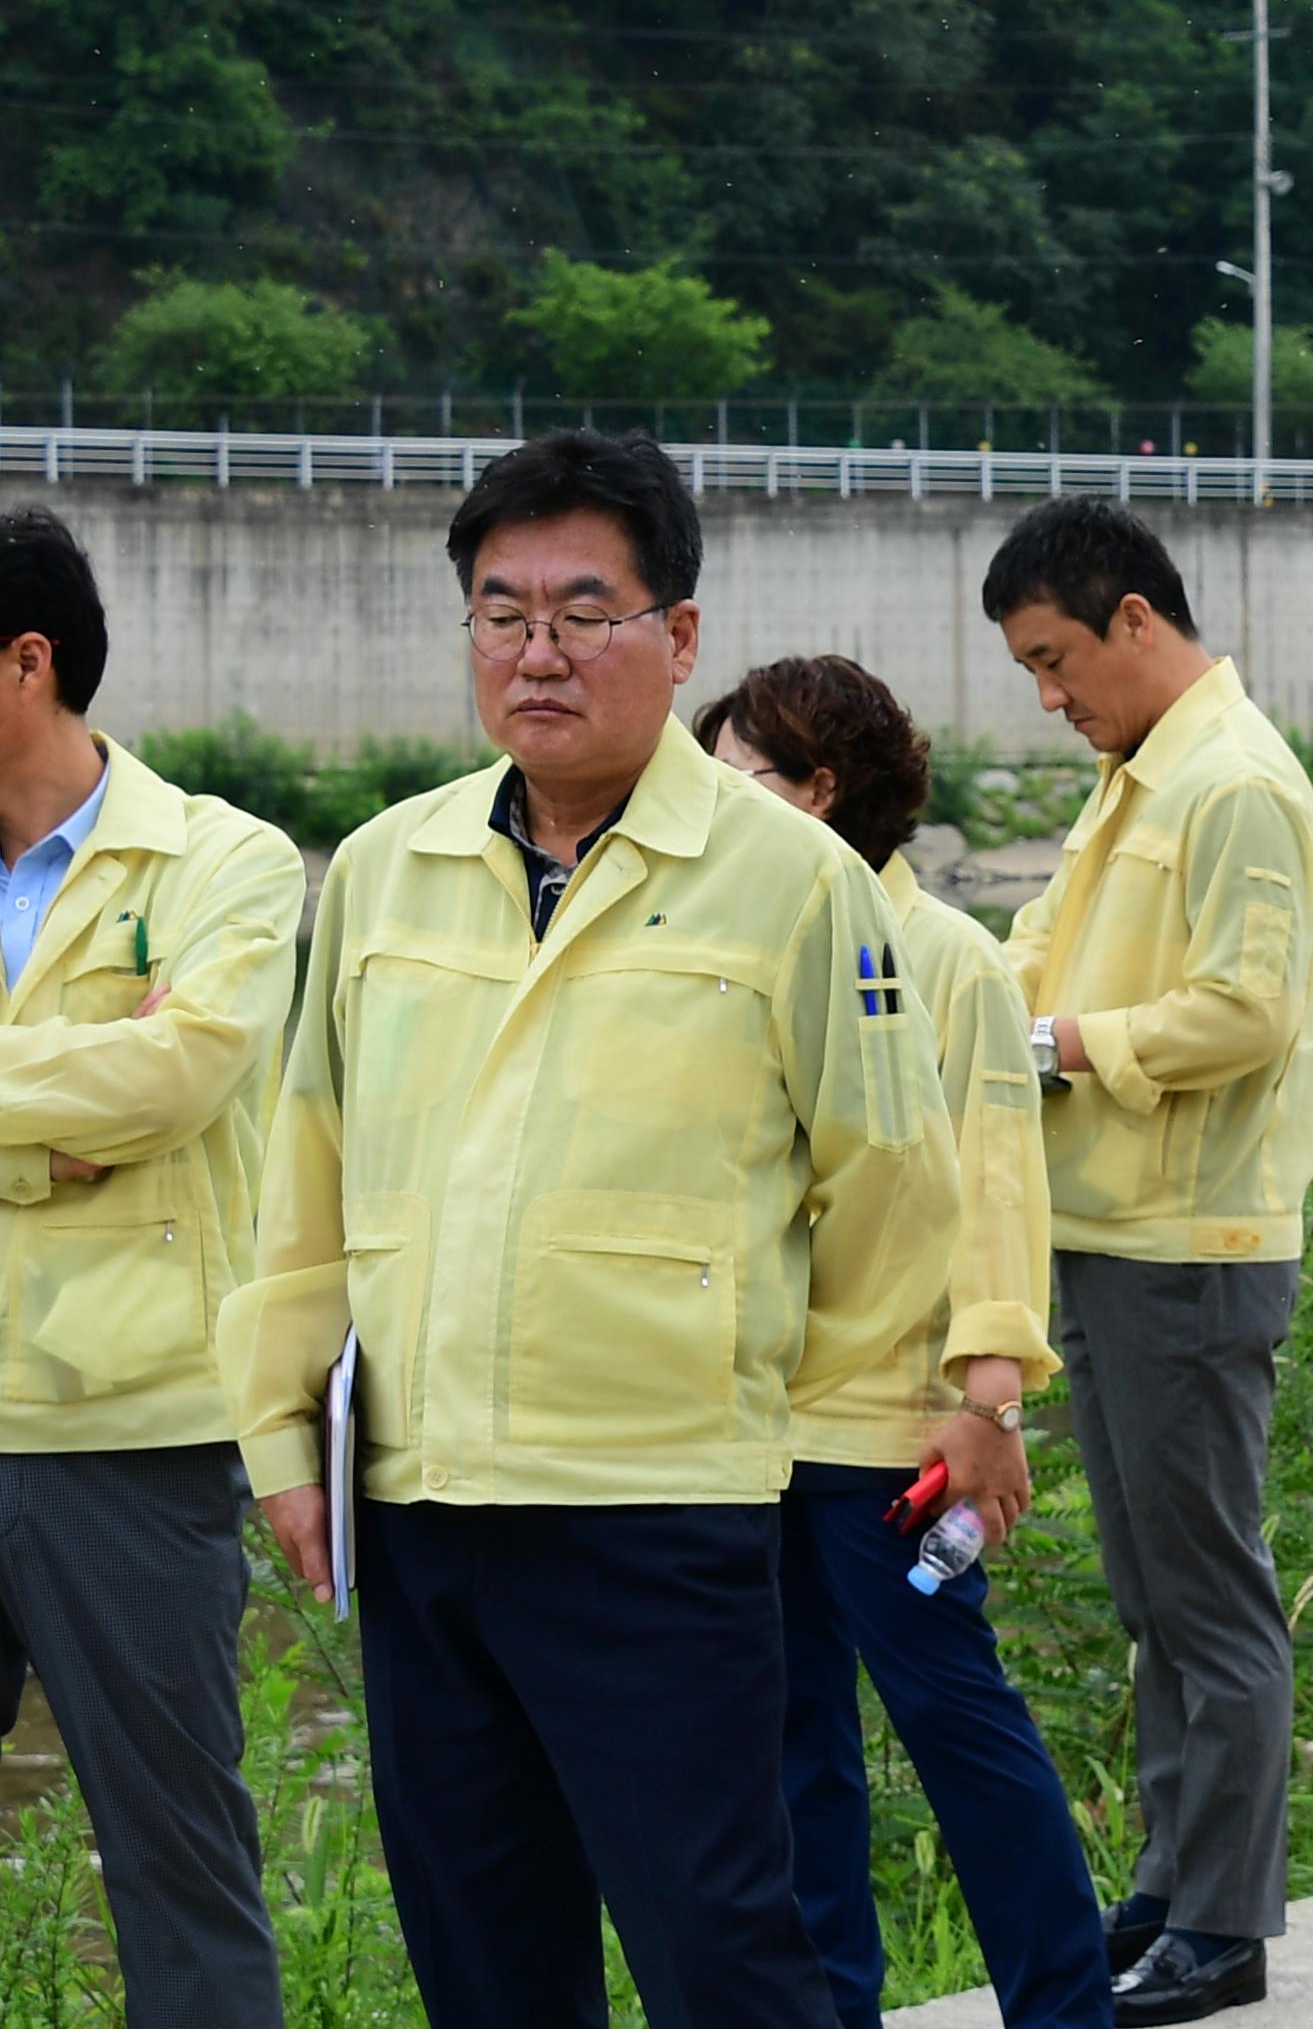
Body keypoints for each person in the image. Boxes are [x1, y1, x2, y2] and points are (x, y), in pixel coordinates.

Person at [222, 430, 964, 2029]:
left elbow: (889, 1192)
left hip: (664, 1519)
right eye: (502, 615)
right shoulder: (384, 871)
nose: (538, 655)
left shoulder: (791, 883)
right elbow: (309, 1172)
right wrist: (287, 1438)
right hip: (420, 1508)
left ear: (679, 636)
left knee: (723, 1954)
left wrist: (795, 1454)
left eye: (585, 612)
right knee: (485, 1959)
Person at [695, 657, 1108, 2029]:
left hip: (889, 1432)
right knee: (787, 1750)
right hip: (749, 1425)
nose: (706, 804)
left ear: (822, 789)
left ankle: (1062, 2007)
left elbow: (997, 1183)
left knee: (957, 1728)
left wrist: (987, 1399)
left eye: (738, 777)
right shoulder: (738, 945)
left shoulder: (946, 961)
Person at [984, 500, 1313, 2025]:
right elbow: (1033, 961)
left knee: (1210, 1598)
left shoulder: (1235, 784)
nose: (1052, 698)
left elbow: (1246, 1012)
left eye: (1057, 660)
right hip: (1117, 1236)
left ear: (1136, 620)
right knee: (1154, 1594)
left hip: (1194, 1244)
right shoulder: (1140, 779)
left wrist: (1061, 1046)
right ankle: (1176, 1885)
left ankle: (1226, 1925)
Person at [0, 508, 302, 2029]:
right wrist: (46, 1117)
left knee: (175, 1850)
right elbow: (107, 1088)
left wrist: (120, 1081)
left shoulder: (223, 860)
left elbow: (175, 1082)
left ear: (27, 662)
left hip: (131, 1429)